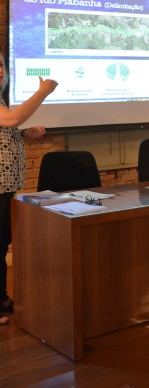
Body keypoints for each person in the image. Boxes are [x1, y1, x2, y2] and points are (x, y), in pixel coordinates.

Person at [0, 53, 58, 325]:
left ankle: (1, 298)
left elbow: (7, 127)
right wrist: (42, 92)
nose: (0, 71)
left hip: (5, 183)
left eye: (0, 65)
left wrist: (25, 134)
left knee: (1, 244)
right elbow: (10, 120)